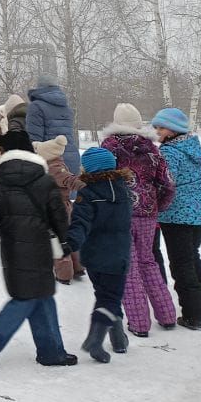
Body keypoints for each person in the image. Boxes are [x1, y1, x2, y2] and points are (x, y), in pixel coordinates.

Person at [0, 143, 77, 367]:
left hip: (12, 249)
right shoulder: (46, 183)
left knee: (41, 296)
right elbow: (59, 218)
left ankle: (51, 352)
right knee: (27, 298)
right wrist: (66, 245)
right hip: (40, 247)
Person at [101, 104, 177, 337]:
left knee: (129, 267)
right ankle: (167, 316)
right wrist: (156, 206)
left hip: (118, 215)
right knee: (148, 261)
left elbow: (99, 182)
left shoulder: (108, 148)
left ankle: (139, 323)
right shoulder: (152, 149)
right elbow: (167, 184)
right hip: (147, 214)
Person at [65, 147, 134, 363]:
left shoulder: (87, 194)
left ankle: (118, 339)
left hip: (94, 255)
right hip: (118, 255)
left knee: (105, 296)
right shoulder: (125, 191)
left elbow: (79, 224)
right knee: (111, 298)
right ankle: (96, 340)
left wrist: (69, 244)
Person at [151, 107, 201, 329]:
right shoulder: (193, 148)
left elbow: (166, 182)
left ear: (173, 130)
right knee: (192, 257)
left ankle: (192, 315)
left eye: (161, 127)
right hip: (200, 212)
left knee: (181, 263)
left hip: (177, 214)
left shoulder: (169, 152)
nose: (157, 131)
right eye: (156, 127)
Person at [34, 135, 84, 284]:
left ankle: (64, 274)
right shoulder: (55, 164)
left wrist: (84, 186)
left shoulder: (54, 168)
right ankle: (78, 266)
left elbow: (69, 179)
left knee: (57, 240)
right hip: (62, 206)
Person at [25, 74, 81, 180]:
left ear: (39, 86)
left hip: (50, 161)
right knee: (68, 195)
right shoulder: (66, 107)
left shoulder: (36, 107)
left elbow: (33, 139)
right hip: (72, 158)